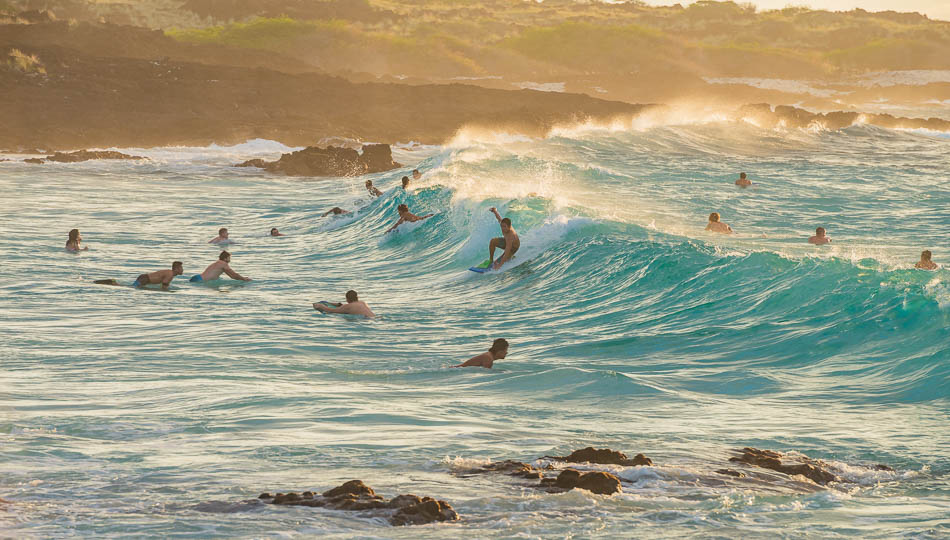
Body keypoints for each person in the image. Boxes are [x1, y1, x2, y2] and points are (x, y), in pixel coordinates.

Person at [95, 261, 183, 290]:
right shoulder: (170, 274)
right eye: (181, 268)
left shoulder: (169, 273)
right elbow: (164, 287)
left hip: (144, 278)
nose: (182, 270)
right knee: (129, 287)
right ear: (177, 268)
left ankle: (112, 282)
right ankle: (112, 282)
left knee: (130, 287)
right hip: (144, 279)